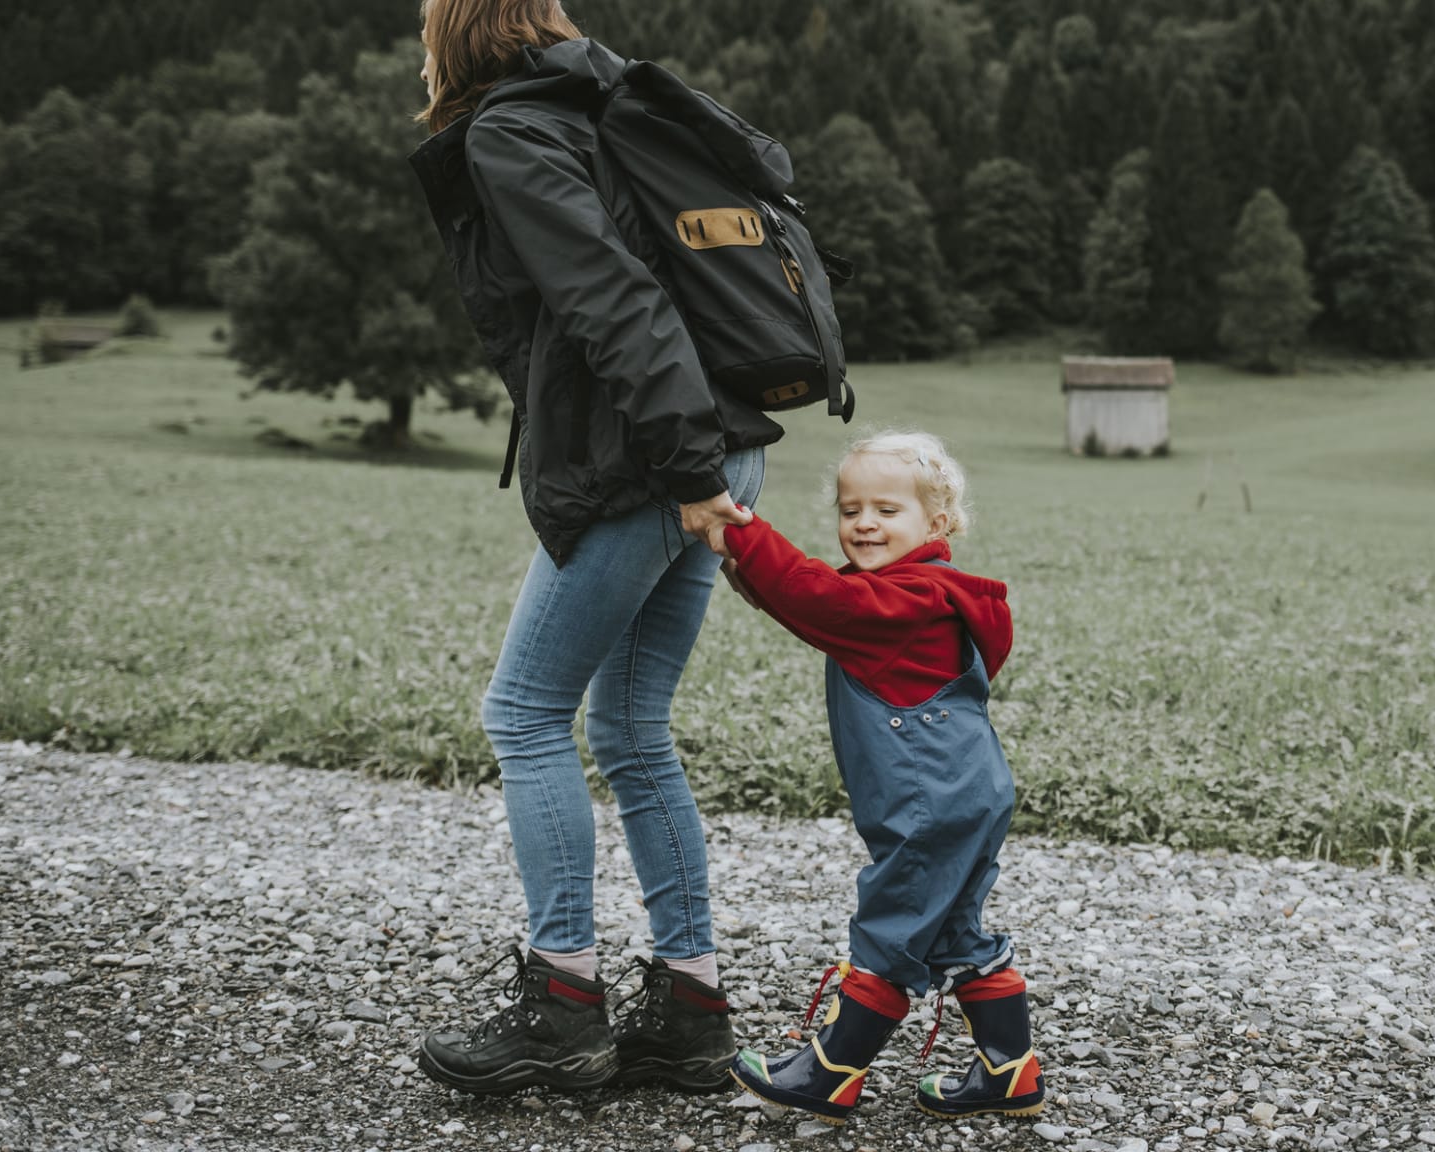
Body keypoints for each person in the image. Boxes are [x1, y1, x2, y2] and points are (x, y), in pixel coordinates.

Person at [406, 0, 780, 1096]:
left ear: (454, 31)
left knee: (522, 712)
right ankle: (689, 1012)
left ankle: (563, 1004)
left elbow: (616, 301)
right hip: (717, 444)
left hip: (655, 461)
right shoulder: (609, 98)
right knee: (627, 723)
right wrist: (708, 464)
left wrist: (686, 469)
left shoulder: (515, 131)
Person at [718, 431, 1046, 1122]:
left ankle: (831, 1073)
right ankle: (1009, 1073)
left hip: (928, 804)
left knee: (892, 925)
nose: (863, 522)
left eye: (886, 510)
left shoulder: (901, 604)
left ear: (937, 523)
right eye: (850, 508)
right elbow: (819, 606)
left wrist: (742, 538)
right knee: (955, 931)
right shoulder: (934, 594)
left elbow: (819, 601)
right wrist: (748, 572)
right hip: (971, 792)